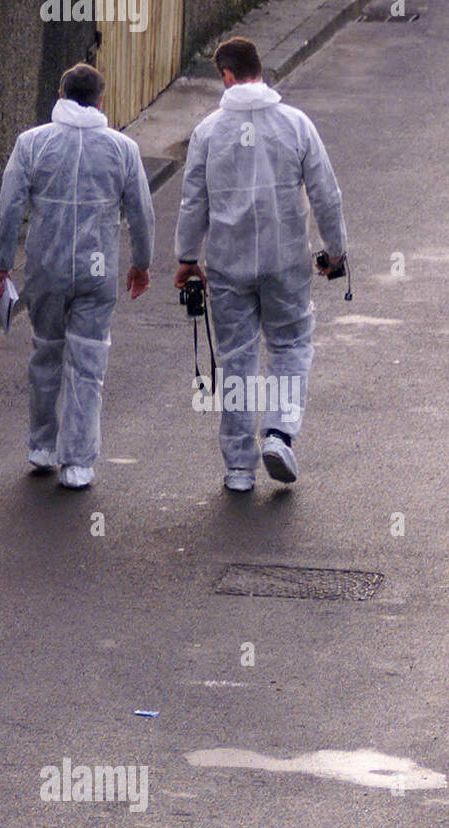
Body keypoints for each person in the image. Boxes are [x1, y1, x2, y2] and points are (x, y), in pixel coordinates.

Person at [174, 36, 346, 492]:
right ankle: (278, 433)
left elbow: (194, 201)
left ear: (227, 76)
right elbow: (326, 194)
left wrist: (187, 258)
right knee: (290, 346)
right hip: (285, 260)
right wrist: (336, 251)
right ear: (258, 70)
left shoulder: (208, 132)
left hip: (228, 265)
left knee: (237, 359)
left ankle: (238, 468)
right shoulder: (295, 125)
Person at [0, 62, 154, 490]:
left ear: (59, 94)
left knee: (46, 354)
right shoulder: (123, 149)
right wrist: (141, 263)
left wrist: (1, 263)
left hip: (47, 265)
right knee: (87, 363)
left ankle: (41, 447)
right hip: (97, 270)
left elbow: (9, 207)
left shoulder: (32, 144)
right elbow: (140, 212)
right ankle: (78, 463)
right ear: (101, 101)